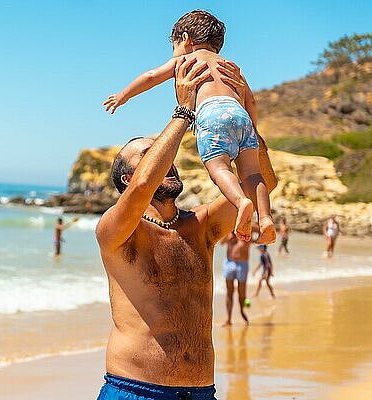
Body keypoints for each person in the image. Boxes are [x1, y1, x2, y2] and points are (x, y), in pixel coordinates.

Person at [95, 56, 278, 399]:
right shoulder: (116, 231)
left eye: (168, 157)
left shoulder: (200, 225)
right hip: (135, 389)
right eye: (151, 155)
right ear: (126, 178)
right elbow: (142, 186)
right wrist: (183, 112)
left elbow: (264, 180)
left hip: (200, 392)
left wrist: (247, 123)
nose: (170, 161)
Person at [104, 10, 275, 245]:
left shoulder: (185, 61)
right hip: (241, 115)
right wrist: (251, 128)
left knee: (220, 169)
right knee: (253, 174)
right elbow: (251, 101)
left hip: (212, 115)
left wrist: (124, 95)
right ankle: (265, 220)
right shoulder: (231, 66)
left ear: (184, 39)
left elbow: (152, 76)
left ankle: (240, 201)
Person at [219, 231, 255, 326]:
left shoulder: (246, 231)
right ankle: (229, 319)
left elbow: (258, 231)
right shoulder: (230, 232)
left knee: (242, 294)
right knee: (229, 292)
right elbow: (221, 243)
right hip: (229, 263)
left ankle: (242, 312)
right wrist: (228, 237)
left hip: (242, 264)